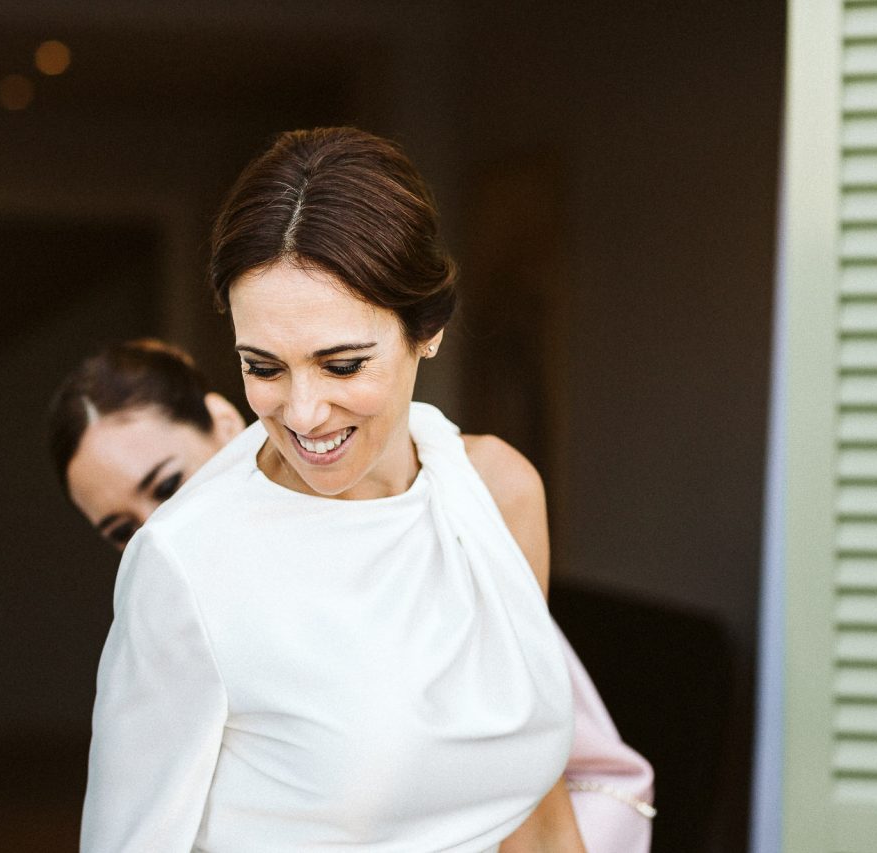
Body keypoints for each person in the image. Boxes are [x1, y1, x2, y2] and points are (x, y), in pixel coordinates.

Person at [77, 128, 648, 852]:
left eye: (342, 364)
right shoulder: (184, 563)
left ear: (428, 328)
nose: (304, 411)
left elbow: (533, 805)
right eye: (265, 366)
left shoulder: (499, 494)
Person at [49, 340, 654, 852]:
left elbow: (531, 785)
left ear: (226, 423)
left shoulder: (456, 508)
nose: (156, 528)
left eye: (168, 484)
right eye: (124, 530)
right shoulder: (169, 600)